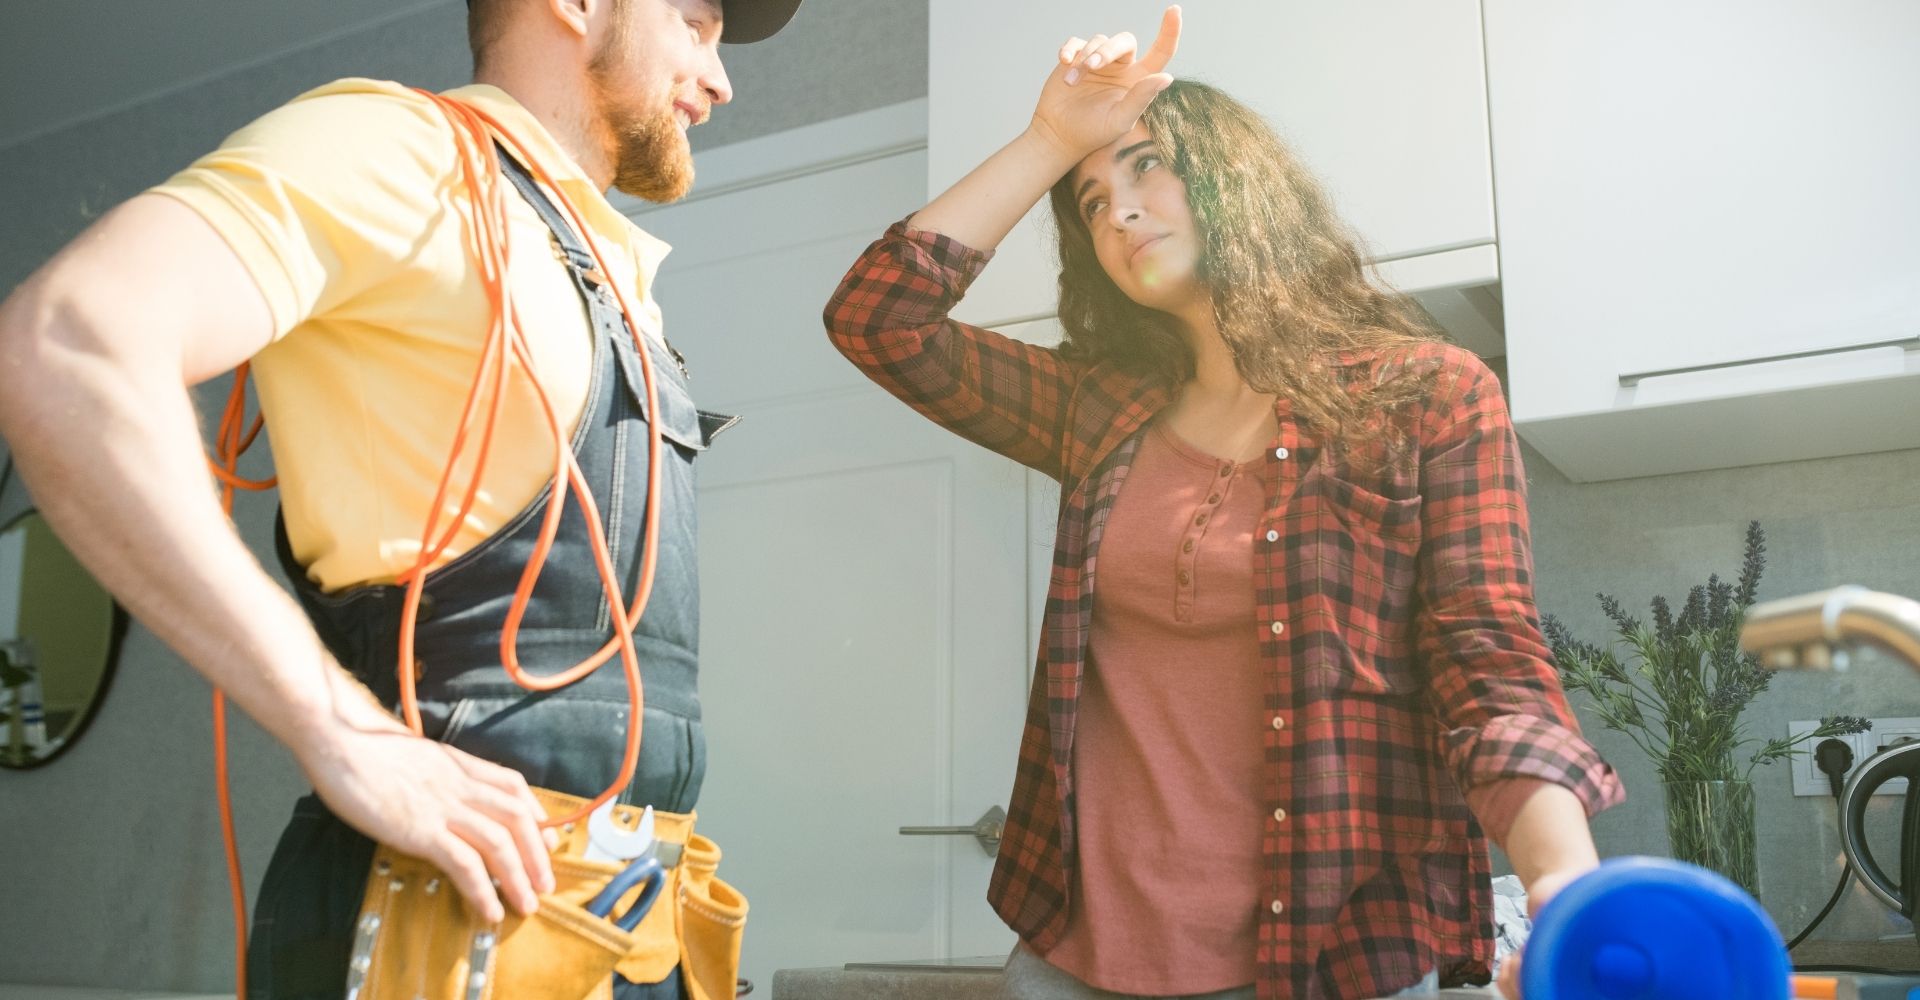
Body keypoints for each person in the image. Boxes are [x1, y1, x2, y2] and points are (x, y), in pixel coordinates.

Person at [0, 0, 800, 995]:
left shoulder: (616, 277)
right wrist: (342, 730)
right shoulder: (403, 151)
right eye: (694, 21)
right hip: (439, 931)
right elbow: (68, 340)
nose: (720, 78)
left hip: (625, 927)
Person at [822, 8, 1622, 999]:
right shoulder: (1095, 407)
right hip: (1073, 960)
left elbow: (1487, 653)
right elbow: (877, 318)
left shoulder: (1429, 396)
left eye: (1147, 165)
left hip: (1334, 959)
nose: (1117, 209)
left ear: (1236, 182)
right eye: (1091, 198)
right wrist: (1051, 139)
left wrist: (1561, 876)